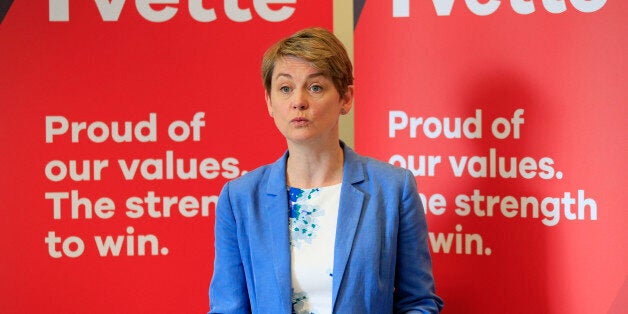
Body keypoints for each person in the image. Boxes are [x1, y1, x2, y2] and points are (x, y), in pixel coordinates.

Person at [209, 27, 443, 313]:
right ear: (269, 102)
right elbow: (227, 308)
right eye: (285, 88)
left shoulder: (393, 189)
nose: (299, 101)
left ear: (345, 98)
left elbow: (418, 302)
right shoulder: (240, 199)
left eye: (315, 87)